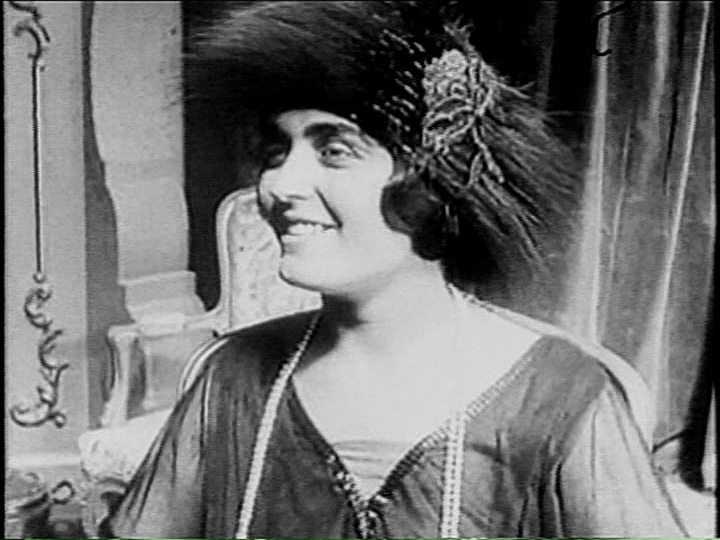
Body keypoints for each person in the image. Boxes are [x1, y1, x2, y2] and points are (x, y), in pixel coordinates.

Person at [102, 2, 688, 538]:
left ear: (433, 183)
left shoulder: (556, 394)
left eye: (335, 150)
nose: (278, 184)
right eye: (278, 152)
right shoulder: (231, 376)